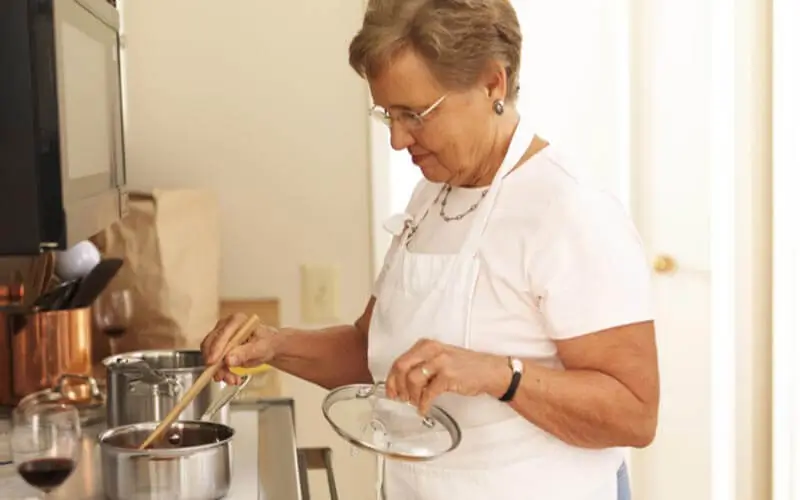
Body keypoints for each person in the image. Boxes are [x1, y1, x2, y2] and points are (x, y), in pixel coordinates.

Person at [201, 1, 659, 498]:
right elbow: (369, 350)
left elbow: (634, 414)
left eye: (414, 115)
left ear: (492, 83)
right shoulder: (433, 194)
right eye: (388, 115)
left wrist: (499, 375)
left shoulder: (569, 211)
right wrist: (274, 345)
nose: (398, 140)